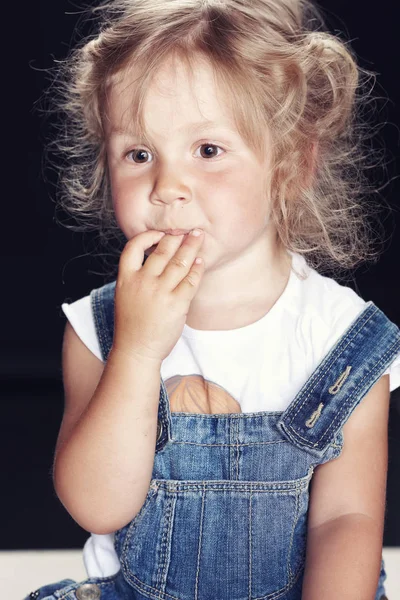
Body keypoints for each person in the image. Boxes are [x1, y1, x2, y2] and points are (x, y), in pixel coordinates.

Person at [27, 1, 400, 599]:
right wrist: (139, 352)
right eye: (139, 154)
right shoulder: (98, 327)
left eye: (207, 150)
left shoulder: (340, 337)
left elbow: (346, 519)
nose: (166, 186)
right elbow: (98, 507)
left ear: (291, 165)